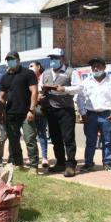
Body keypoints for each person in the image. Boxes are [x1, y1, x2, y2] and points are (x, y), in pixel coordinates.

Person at [40, 48, 81, 177]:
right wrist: (42, 94)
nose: (53, 60)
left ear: (62, 59)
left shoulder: (70, 72)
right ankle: (60, 162)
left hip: (65, 109)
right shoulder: (45, 73)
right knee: (55, 138)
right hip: (50, 110)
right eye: (51, 58)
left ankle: (70, 165)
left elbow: (79, 88)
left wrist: (64, 89)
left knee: (68, 138)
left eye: (55, 58)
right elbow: (40, 87)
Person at [0, 51, 39, 173]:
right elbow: (1, 96)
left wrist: (31, 110)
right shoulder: (5, 77)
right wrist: (1, 112)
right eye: (8, 60)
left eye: (12, 59)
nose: (10, 61)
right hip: (10, 114)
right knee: (14, 141)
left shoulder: (28, 73)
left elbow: (34, 92)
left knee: (30, 139)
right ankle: (19, 163)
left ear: (18, 60)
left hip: (26, 113)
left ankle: (33, 166)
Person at [76, 58, 111, 172]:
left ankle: (107, 163)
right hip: (90, 115)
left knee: (107, 141)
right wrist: (83, 113)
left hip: (106, 115)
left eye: (98, 66)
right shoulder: (86, 82)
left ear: (104, 67)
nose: (95, 68)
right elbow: (80, 98)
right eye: (93, 67)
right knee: (90, 141)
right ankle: (88, 163)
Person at [29, 61, 49, 167]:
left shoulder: (44, 77)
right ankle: (34, 156)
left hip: (41, 110)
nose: (30, 68)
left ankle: (44, 157)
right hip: (30, 110)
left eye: (32, 66)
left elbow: (44, 94)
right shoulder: (28, 78)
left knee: (42, 133)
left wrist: (38, 98)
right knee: (31, 135)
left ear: (38, 67)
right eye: (29, 66)